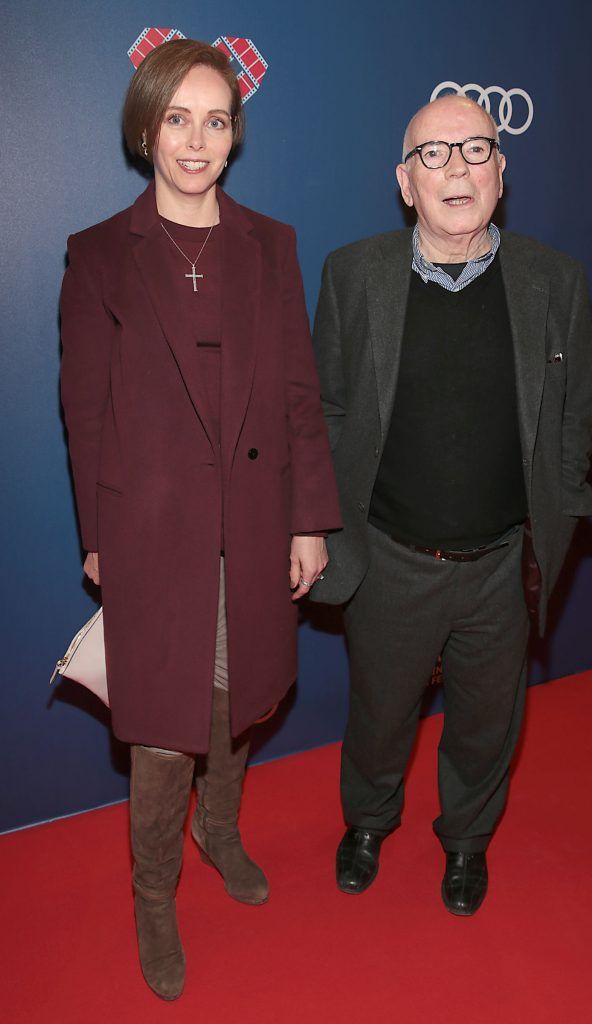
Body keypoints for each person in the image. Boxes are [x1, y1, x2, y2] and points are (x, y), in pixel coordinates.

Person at [60, 39, 340, 1000]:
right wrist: (99, 534)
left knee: (240, 694)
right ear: (145, 128)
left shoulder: (272, 245)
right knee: (161, 728)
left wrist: (310, 520)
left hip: (257, 521)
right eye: (176, 117)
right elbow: (84, 408)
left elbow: (300, 392)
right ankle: (153, 891)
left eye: (215, 119)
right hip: (153, 530)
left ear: (235, 135)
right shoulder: (99, 253)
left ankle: (219, 831)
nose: (195, 138)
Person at [311, 95, 592, 916]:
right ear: (405, 184)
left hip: (505, 563)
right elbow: (326, 410)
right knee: (378, 715)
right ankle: (367, 822)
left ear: (501, 173)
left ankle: (466, 842)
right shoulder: (351, 274)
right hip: (390, 559)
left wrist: (560, 518)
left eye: (476, 150)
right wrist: (325, 528)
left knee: (485, 723)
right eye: (432, 156)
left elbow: (579, 410)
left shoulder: (555, 280)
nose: (456, 170)